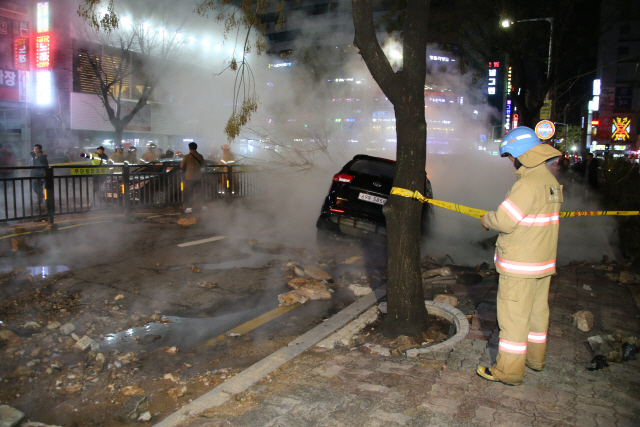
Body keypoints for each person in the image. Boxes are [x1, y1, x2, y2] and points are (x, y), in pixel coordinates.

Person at [477, 126, 563, 386]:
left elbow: (505, 221)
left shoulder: (526, 185)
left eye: (511, 156)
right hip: (543, 263)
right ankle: (535, 360)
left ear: (520, 154)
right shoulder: (551, 182)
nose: (511, 162)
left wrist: (486, 219)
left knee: (513, 317)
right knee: (537, 314)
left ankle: (508, 372)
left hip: (520, 265)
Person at [180, 142, 204, 213]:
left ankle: (189, 208)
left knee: (189, 193)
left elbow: (182, 166)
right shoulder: (200, 156)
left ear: (189, 148)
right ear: (196, 147)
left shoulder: (186, 157)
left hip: (189, 178)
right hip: (198, 177)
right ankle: (202, 206)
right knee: (199, 192)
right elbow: (203, 166)